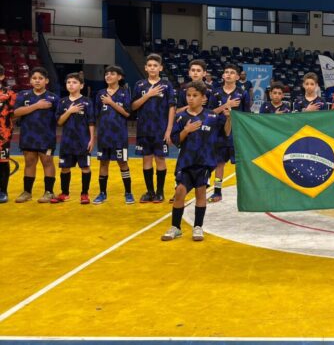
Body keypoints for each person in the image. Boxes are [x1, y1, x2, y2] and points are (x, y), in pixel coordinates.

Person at [161, 81, 231, 241]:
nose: (191, 99)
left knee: (200, 193)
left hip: (204, 162)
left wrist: (228, 119)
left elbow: (226, 133)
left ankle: (198, 226)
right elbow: (176, 141)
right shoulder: (181, 117)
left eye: (195, 96)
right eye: (188, 95)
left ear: (203, 98)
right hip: (185, 162)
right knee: (179, 192)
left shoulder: (212, 117)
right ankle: (175, 227)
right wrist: (186, 130)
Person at [131, 54, 176, 203]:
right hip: (144, 129)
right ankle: (150, 191)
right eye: (149, 65)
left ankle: (160, 192)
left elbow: (172, 108)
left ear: (160, 68)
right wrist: (148, 95)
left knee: (160, 159)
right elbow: (133, 106)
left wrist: (169, 129)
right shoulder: (139, 85)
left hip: (161, 129)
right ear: (145, 68)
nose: (152, 68)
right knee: (146, 159)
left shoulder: (166, 85)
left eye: (155, 66)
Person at [14, 67, 58, 203]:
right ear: (30, 81)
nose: (37, 81)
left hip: (47, 137)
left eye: (40, 78)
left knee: (47, 162)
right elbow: (16, 113)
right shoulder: (23, 95)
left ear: (46, 81)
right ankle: (27, 192)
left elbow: (60, 118)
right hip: (28, 135)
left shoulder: (53, 98)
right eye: (34, 78)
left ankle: (49, 192)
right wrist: (37, 106)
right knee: (29, 162)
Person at [210, 63, 251, 202]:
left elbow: (247, 115)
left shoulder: (242, 93)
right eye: (226, 72)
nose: (228, 74)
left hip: (236, 134)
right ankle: (217, 191)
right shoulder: (215, 92)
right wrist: (225, 106)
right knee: (219, 164)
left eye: (232, 72)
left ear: (238, 77)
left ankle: (244, 192)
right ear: (222, 75)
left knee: (240, 164)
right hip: (219, 133)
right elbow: (210, 113)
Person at [93, 65, 134, 205]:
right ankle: (102, 193)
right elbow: (96, 114)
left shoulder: (124, 93)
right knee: (103, 163)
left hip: (119, 135)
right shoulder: (100, 93)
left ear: (119, 77)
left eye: (112, 74)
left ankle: (128, 193)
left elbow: (127, 113)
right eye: (106, 74)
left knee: (122, 163)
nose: (108, 76)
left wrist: (111, 103)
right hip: (104, 135)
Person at [53, 73, 95, 204]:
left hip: (83, 141)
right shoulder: (63, 102)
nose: (71, 84)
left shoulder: (87, 102)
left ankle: (84, 194)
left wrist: (92, 139)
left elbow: (91, 122)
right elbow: (59, 122)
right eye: (68, 82)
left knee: (85, 167)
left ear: (81, 85)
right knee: (65, 168)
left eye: (74, 82)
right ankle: (65, 193)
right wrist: (70, 111)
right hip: (67, 141)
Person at [0, 65, 16, 204]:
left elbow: (15, 114)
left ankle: (3, 191)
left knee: (2, 163)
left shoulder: (9, 94)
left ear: (2, 77)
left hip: (2, 136)